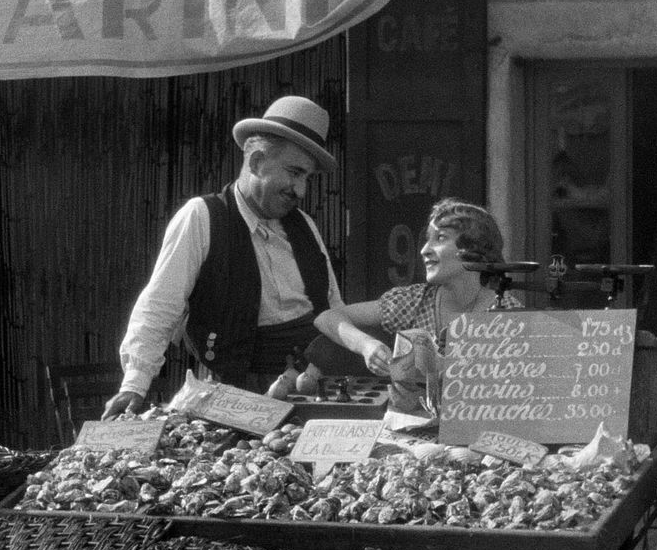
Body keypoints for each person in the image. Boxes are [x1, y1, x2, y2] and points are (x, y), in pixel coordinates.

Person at [102, 96, 343, 419]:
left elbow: (335, 310)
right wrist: (134, 383)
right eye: (294, 173)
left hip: (306, 392)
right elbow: (161, 304)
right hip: (230, 398)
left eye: (307, 179)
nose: (300, 190)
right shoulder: (201, 218)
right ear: (256, 161)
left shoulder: (306, 227)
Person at [313, 198, 522, 382]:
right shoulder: (415, 301)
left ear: (475, 250)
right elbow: (327, 318)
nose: (424, 250)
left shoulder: (506, 311)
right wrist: (366, 346)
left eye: (440, 238)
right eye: (427, 239)